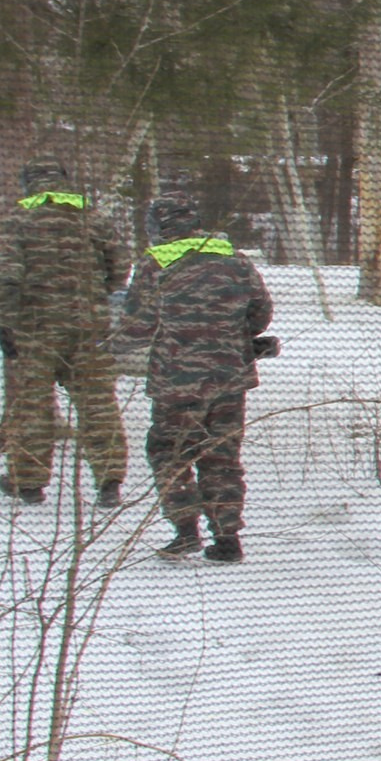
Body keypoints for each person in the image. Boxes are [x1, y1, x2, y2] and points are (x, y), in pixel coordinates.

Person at [119, 191, 274, 563]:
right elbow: (261, 313)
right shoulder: (234, 259)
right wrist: (228, 335)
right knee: (222, 456)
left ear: (159, 225)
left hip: (177, 381)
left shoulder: (155, 263)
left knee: (169, 453)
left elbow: (138, 325)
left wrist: (110, 344)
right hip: (229, 378)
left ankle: (185, 530)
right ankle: (227, 539)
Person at [0, 158, 130, 509]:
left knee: (33, 406)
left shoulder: (19, 219)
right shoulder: (92, 217)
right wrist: (98, 295)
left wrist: (5, 322)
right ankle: (109, 481)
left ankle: (28, 482)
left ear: (28, 183)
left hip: (35, 328)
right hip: (88, 326)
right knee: (98, 404)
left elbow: (8, 277)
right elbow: (120, 265)